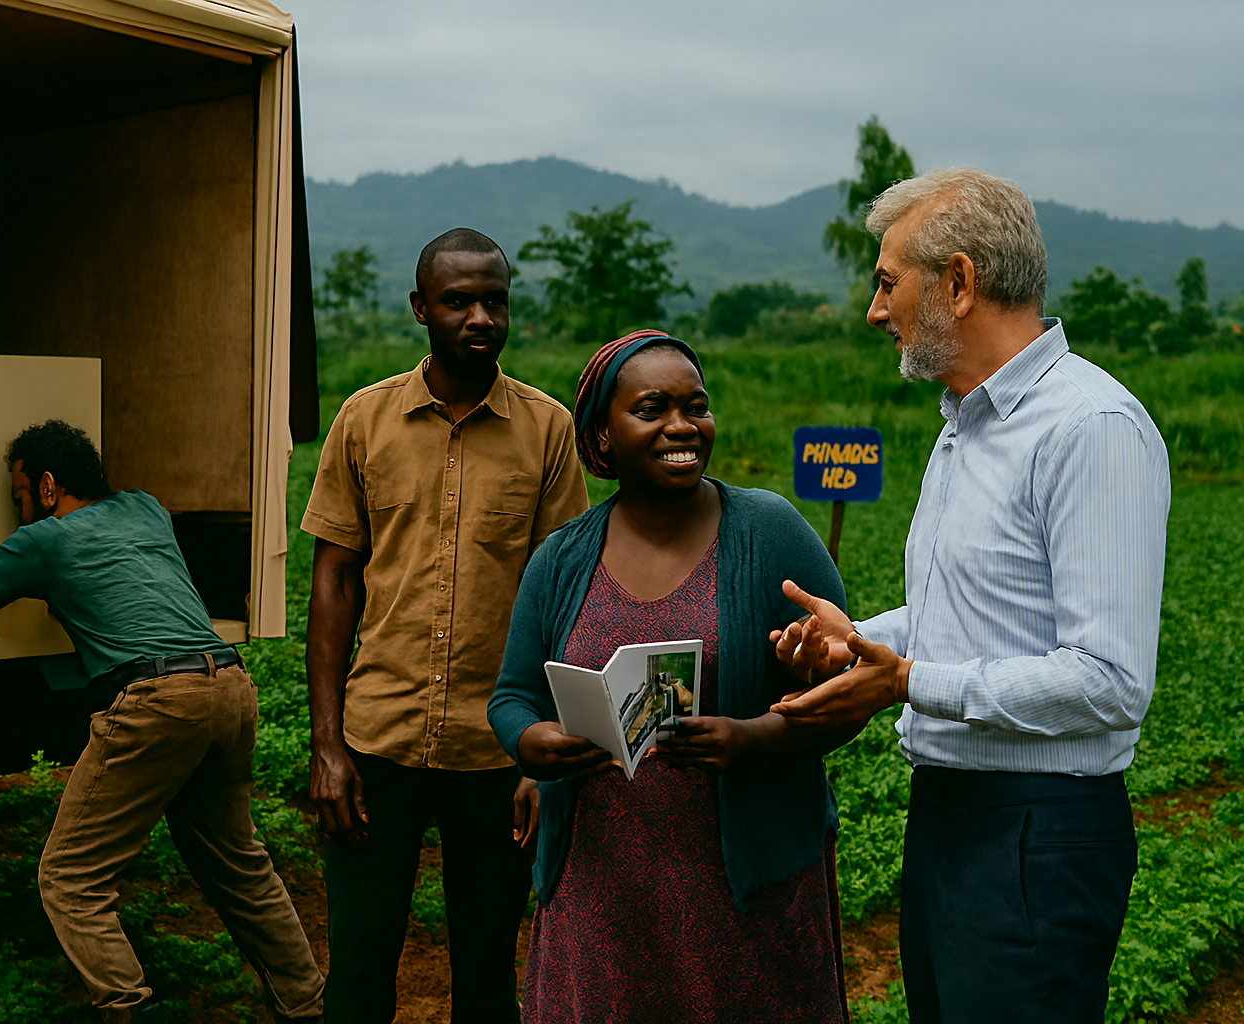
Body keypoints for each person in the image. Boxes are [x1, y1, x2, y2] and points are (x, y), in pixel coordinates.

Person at [768, 168, 1171, 1024]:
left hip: (1037, 834)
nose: (877, 311)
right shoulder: (967, 425)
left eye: (887, 283)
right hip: (948, 815)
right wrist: (860, 639)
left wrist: (906, 680)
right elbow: (977, 610)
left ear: (957, 282)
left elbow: (1107, 679)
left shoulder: (1087, 427)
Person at [0, 420, 324, 1024]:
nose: (21, 514)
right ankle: (311, 1006)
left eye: (21, 498)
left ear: (49, 485)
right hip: (230, 687)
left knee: (69, 879)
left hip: (155, 700)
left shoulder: (43, 542)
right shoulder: (145, 509)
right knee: (240, 865)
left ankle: (128, 1010)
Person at [486, 331, 858, 1024]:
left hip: (742, 897)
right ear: (603, 431)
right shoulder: (562, 560)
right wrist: (533, 743)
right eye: (652, 409)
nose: (681, 426)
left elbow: (852, 684)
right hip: (600, 890)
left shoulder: (768, 532)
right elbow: (512, 696)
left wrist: (752, 738)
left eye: (697, 406)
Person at [300, 228, 590, 1023]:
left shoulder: (548, 430)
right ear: (420, 308)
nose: (479, 316)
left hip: (496, 750)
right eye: (457, 300)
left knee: (488, 971)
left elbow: (565, 596)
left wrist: (544, 758)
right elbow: (333, 582)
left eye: (494, 299)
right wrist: (327, 746)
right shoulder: (364, 421)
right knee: (357, 970)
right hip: (376, 743)